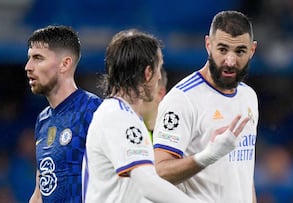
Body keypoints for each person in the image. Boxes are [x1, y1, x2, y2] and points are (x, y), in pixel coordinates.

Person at [82, 29, 204, 203]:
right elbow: (148, 184)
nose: (160, 76)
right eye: (159, 67)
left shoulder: (119, 115)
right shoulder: (119, 118)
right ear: (148, 73)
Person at [153, 10, 258, 203]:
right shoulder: (182, 99)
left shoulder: (248, 96)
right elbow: (159, 172)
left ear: (252, 50)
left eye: (240, 51)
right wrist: (208, 156)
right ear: (208, 45)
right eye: (222, 49)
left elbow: (243, 172)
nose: (230, 61)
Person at [25, 25, 102, 203]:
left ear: (65, 64)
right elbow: (40, 192)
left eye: (38, 58)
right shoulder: (43, 119)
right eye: (29, 58)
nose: (28, 67)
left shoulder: (93, 110)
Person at [140, 66, 168, 142]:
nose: (136, 93)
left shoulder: (172, 136)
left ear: (160, 94)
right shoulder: (121, 130)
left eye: (144, 87)